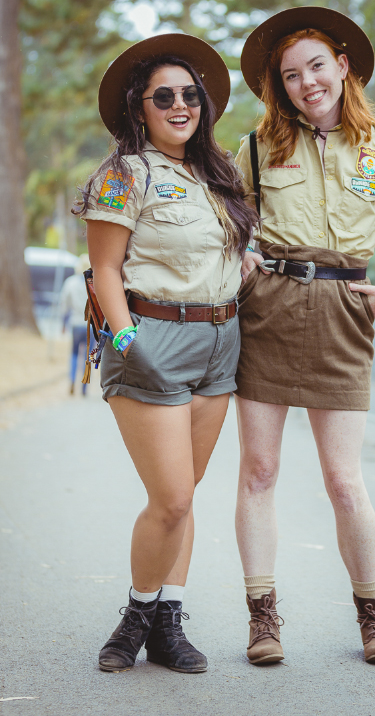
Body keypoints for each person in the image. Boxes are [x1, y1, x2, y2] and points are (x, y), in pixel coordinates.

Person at [234, 7, 375, 666]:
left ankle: (372, 612)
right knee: (258, 471)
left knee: (344, 481)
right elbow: (230, 226)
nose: (305, 81)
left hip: (345, 309)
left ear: (342, 66)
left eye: (316, 65)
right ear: (278, 87)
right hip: (270, 309)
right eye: (290, 75)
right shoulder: (254, 149)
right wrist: (240, 260)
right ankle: (262, 618)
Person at [75, 33, 258, 673]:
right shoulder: (126, 174)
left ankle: (167, 624)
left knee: (185, 494)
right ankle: (135, 616)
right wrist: (128, 340)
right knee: (172, 497)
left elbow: (231, 255)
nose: (179, 105)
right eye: (164, 97)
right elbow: (104, 270)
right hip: (152, 338)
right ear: (140, 108)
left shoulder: (219, 175)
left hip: (220, 344)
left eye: (189, 94)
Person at [59, 254, 91, 395]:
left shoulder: (70, 283)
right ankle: (84, 385)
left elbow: (64, 304)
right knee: (87, 356)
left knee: (73, 353)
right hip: (90, 325)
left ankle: (72, 380)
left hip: (76, 323)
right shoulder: (93, 283)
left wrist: (63, 323)